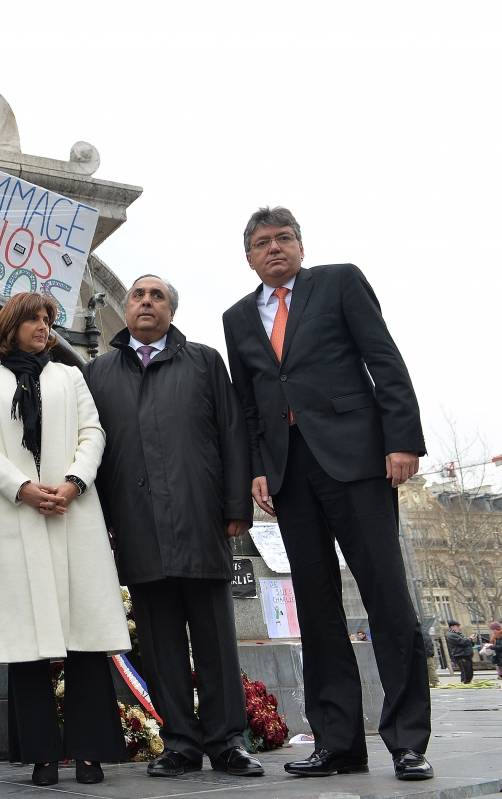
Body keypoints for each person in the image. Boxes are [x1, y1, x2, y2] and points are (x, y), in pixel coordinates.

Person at [222, 207, 433, 781]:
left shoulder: (339, 281)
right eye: (262, 243)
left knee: (387, 598)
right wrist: (258, 469)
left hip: (357, 459)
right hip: (290, 474)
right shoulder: (238, 317)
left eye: (283, 238)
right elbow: (248, 403)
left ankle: (407, 739)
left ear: (300, 246)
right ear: (249, 257)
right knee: (314, 609)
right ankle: (338, 741)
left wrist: (402, 440)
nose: (274, 249)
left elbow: (383, 358)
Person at [82, 276, 262, 779]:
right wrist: (103, 525)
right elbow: (91, 453)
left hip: (201, 521)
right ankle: (180, 742)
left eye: (156, 296)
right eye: (138, 295)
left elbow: (232, 434)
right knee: (159, 645)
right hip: (137, 528)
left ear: (170, 310)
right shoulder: (99, 373)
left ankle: (228, 742)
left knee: (216, 642)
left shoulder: (204, 361)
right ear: (126, 307)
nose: (145, 302)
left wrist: (235, 509)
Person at [0, 292, 130, 786]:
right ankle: (40, 755)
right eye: (33, 319)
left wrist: (73, 482)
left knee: (85, 637)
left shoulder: (70, 376)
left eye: (48, 320)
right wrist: (22, 489)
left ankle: (90, 752)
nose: (43, 327)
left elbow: (92, 432)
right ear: (10, 327)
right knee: (27, 640)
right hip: (20, 517)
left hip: (72, 511)